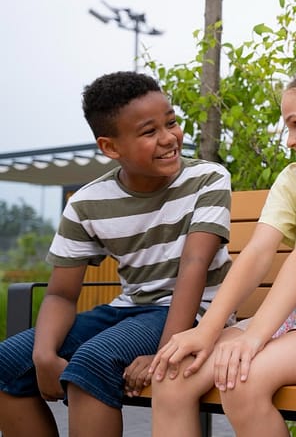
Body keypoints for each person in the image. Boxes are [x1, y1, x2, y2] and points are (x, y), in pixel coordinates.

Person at [148, 61, 296, 437]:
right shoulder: (295, 177)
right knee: (172, 377)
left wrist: (253, 336)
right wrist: (207, 331)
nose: (290, 140)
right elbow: (258, 253)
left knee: (242, 380)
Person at [0, 71, 232, 437]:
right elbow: (61, 293)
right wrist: (44, 354)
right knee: (8, 363)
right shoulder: (89, 203)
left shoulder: (207, 179)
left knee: (93, 363)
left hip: (194, 311)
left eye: (171, 123)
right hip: (129, 309)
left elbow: (194, 266)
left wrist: (165, 352)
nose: (169, 138)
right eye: (149, 131)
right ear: (110, 147)